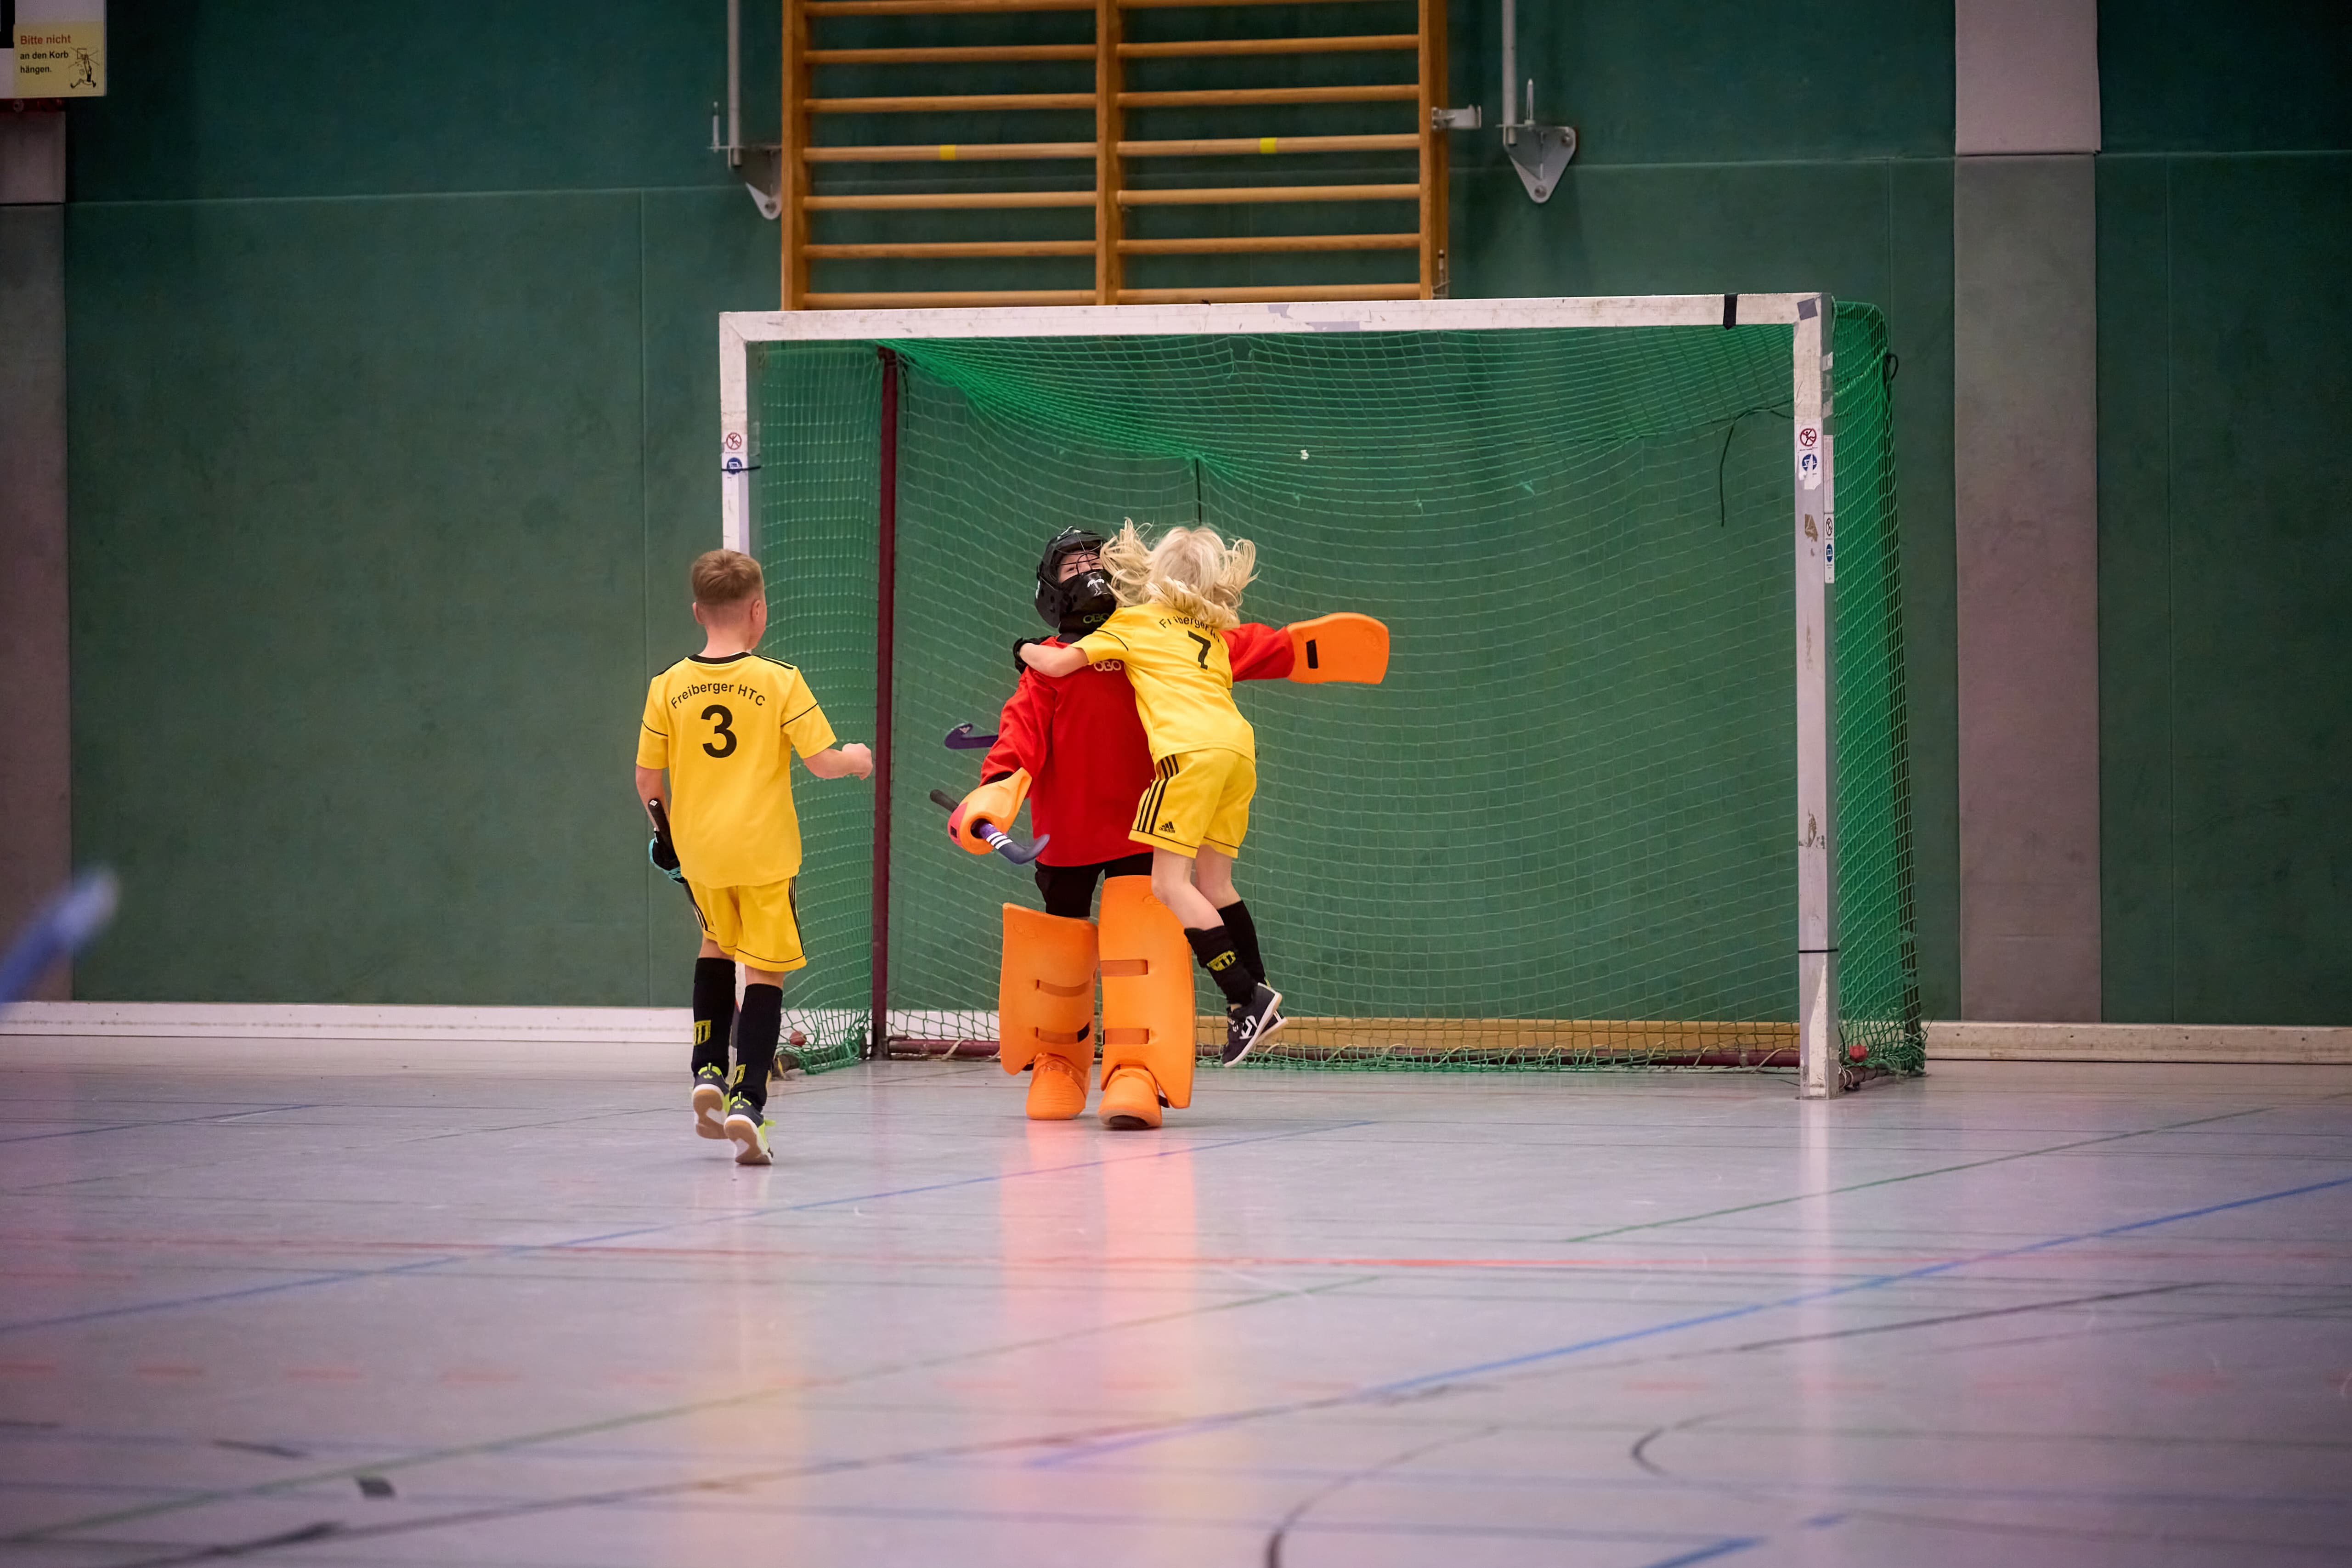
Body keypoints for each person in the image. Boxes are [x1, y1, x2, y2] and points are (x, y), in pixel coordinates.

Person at [953, 528, 1293, 1128]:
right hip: (1067, 833)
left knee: (1141, 947)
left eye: (1097, 560)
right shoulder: (1073, 659)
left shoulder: (1147, 634)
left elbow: (1253, 647)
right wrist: (996, 788)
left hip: (1144, 824)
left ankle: (1139, 1066)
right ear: (1050, 587)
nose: (1088, 570)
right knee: (1060, 951)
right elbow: (1019, 736)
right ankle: (1059, 1061)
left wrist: (1317, 647)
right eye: (1073, 565)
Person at [635, 549, 871, 1165]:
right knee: (765, 973)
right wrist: (856, 758)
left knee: (715, 946)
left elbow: (647, 781)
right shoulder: (779, 680)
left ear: (697, 612)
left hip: (702, 855)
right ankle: (748, 1102)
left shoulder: (668, 686)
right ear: (758, 610)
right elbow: (822, 763)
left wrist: (665, 834)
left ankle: (708, 1069)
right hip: (764, 854)